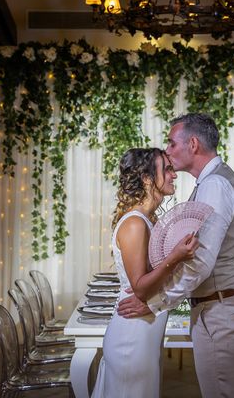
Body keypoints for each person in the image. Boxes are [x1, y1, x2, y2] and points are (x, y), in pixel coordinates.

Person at [117, 113, 234, 398]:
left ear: (192, 144)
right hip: (219, 307)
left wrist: (157, 302)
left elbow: (200, 261)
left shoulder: (215, 185)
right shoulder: (210, 183)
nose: (168, 151)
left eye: (171, 143)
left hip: (223, 310)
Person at [91, 147, 199, 398]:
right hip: (132, 336)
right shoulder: (135, 223)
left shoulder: (148, 219)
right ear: (148, 178)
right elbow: (140, 287)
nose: (174, 175)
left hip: (145, 331)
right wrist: (175, 258)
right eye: (168, 169)